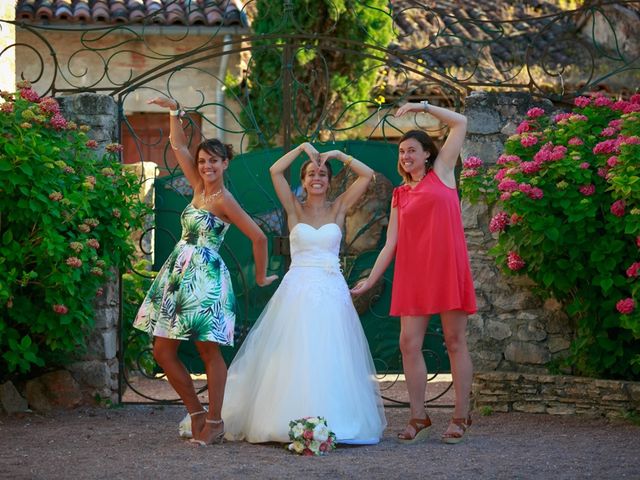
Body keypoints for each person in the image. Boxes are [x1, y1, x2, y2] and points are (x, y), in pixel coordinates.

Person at [133, 96, 277, 446]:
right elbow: (178, 143)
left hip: (206, 278)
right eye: (203, 161)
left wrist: (260, 277)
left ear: (226, 163)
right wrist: (173, 111)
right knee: (162, 352)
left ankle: (214, 421)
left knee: (207, 351)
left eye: (214, 160)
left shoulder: (225, 200)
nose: (206, 166)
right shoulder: (197, 188)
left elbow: (259, 237)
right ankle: (196, 412)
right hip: (177, 276)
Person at [221, 143, 387, 444]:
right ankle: (285, 419)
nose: (317, 178)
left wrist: (337, 156)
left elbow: (366, 176)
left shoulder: (339, 208)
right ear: (304, 179)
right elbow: (275, 171)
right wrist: (301, 149)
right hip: (297, 289)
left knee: (330, 353)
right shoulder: (294, 208)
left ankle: (332, 420)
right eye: (311, 173)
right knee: (293, 353)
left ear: (329, 179)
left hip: (331, 290)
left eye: (322, 174)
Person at [351, 100, 476, 444]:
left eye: (412, 150)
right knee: (408, 344)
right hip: (414, 274)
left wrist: (424, 106)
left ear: (427, 155)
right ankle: (418, 415)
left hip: (447, 268)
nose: (405, 156)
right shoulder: (399, 194)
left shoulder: (444, 173)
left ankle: (461, 414)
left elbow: (461, 123)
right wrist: (371, 280)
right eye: (402, 151)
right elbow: (391, 243)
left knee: (454, 341)